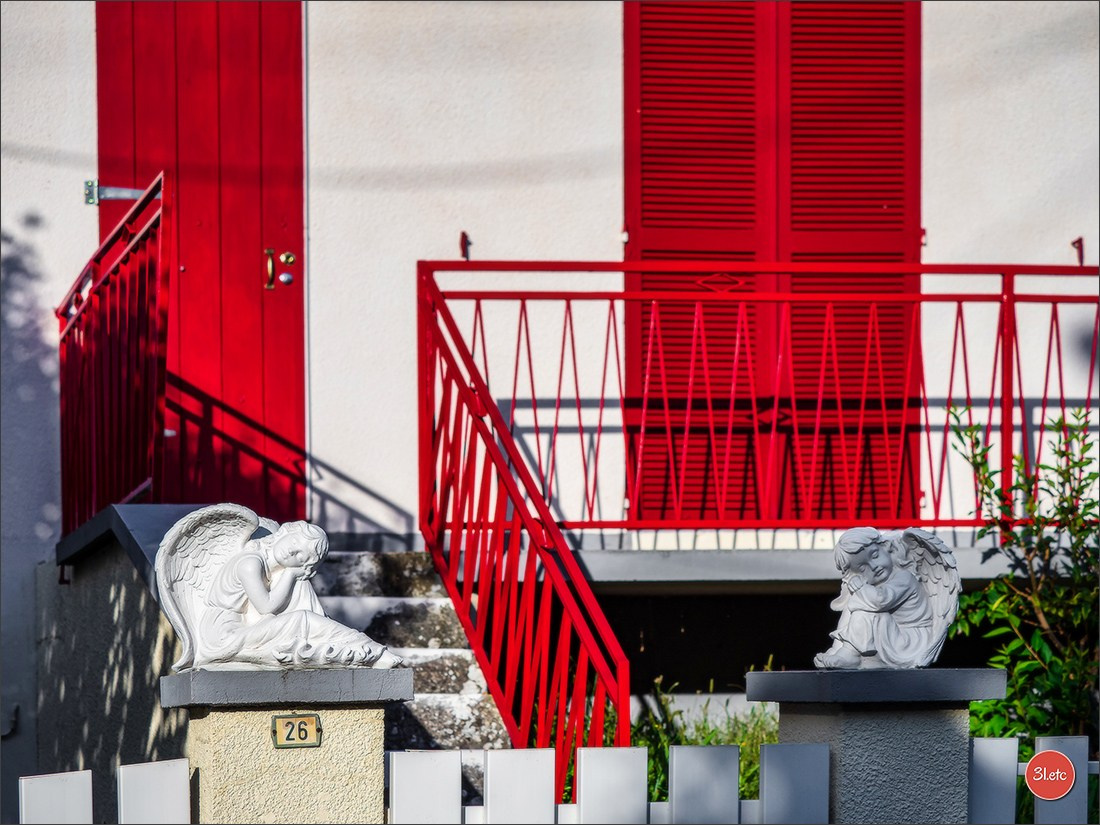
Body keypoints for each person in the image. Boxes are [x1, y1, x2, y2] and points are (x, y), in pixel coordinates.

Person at [197, 519, 404, 669]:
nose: (292, 552)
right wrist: (291, 573)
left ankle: (355, 647)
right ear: (286, 533)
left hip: (243, 628)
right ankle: (370, 651)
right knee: (301, 618)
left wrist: (293, 575)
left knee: (301, 587)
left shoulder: (273, 569)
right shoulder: (250, 563)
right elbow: (265, 607)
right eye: (295, 542)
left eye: (301, 557)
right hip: (224, 635)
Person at [813, 526, 935, 669]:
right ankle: (842, 650)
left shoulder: (904, 577)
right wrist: (835, 651)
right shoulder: (875, 585)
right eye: (863, 568)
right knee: (856, 602)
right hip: (893, 636)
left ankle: (851, 656)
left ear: (886, 547)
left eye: (875, 555)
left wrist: (860, 587)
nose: (874, 566)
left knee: (867, 610)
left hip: (910, 642)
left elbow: (880, 601)